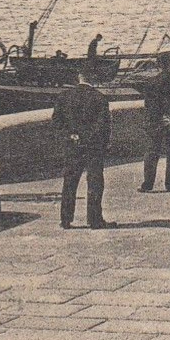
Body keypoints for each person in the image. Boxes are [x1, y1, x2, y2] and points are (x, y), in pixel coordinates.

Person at [52, 74, 112, 229]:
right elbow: (103, 126)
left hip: (73, 145)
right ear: (93, 78)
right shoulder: (100, 98)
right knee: (95, 182)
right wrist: (93, 140)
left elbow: (57, 122)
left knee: (70, 182)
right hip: (93, 147)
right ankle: (94, 220)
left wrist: (70, 136)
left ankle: (65, 220)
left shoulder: (64, 96)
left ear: (78, 77)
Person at [139, 53, 170, 192]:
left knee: (152, 152)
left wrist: (160, 118)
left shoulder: (151, 82)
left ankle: (148, 184)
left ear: (157, 65)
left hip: (156, 123)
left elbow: (149, 106)